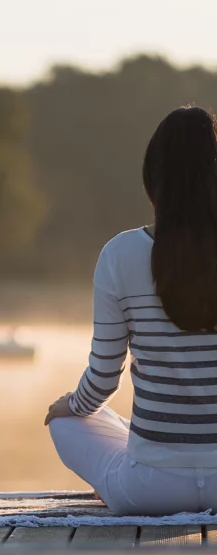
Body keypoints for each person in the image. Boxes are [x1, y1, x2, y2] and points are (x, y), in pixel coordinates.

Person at [46, 105, 217, 515]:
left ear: (152, 178)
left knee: (66, 421)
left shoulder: (119, 254)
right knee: (121, 428)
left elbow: (104, 378)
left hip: (147, 490)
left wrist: (71, 405)